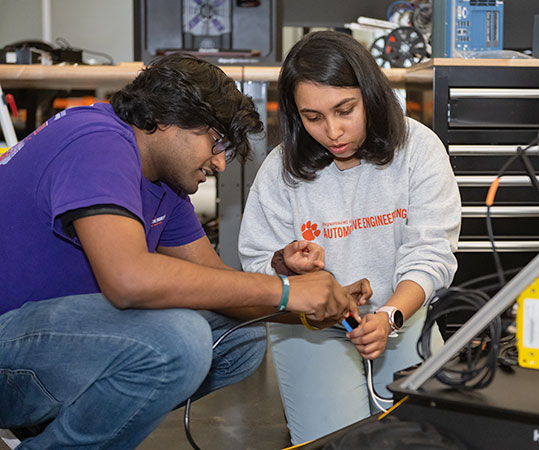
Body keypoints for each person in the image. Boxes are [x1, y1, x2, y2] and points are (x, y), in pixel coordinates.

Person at [0, 52, 360, 449]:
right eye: (216, 141)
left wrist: (317, 308)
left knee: (239, 340)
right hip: (8, 348)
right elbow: (128, 281)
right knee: (177, 341)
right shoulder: (97, 139)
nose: (221, 163)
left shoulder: (162, 184)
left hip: (38, 347)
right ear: (167, 118)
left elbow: (222, 288)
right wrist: (287, 291)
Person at [238, 31, 461, 444]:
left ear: (371, 95)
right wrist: (287, 265)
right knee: (338, 440)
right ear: (295, 114)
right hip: (310, 327)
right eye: (313, 117)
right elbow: (255, 266)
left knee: (426, 436)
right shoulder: (279, 169)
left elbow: (431, 253)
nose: (333, 131)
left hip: (401, 315)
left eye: (345, 110)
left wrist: (390, 316)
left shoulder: (419, 150)